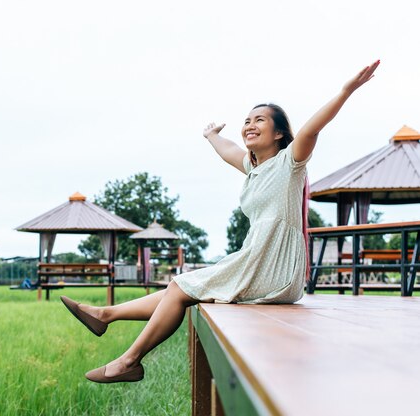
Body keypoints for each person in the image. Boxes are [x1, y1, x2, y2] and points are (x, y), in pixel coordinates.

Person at [61, 60, 380, 383]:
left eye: (260, 120)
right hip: (257, 260)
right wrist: (212, 135)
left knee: (180, 287)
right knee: (179, 287)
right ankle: (105, 315)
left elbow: (312, 128)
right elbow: (228, 150)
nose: (249, 125)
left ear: (280, 132)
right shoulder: (254, 169)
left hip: (275, 268)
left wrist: (346, 90)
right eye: (246, 121)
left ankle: (128, 360)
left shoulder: (290, 163)